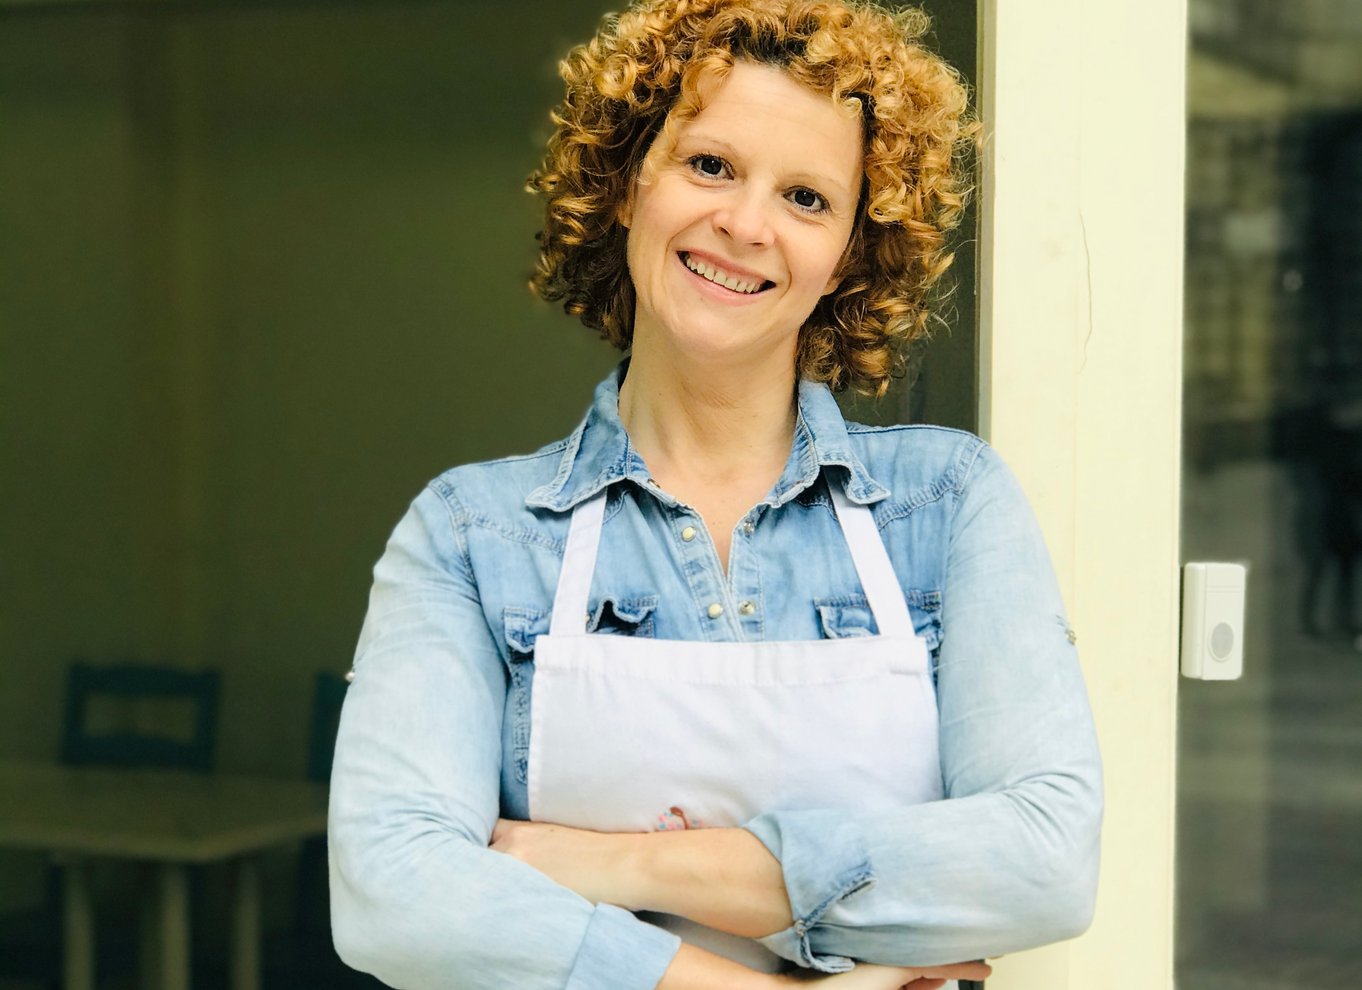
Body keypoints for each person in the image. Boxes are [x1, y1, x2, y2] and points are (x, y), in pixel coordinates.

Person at [328, 1, 1103, 988]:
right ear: (627, 183)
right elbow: (393, 893)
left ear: (849, 253)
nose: (745, 225)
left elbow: (1045, 862)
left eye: (807, 198)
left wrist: (617, 866)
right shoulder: (475, 535)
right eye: (710, 166)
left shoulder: (946, 506)